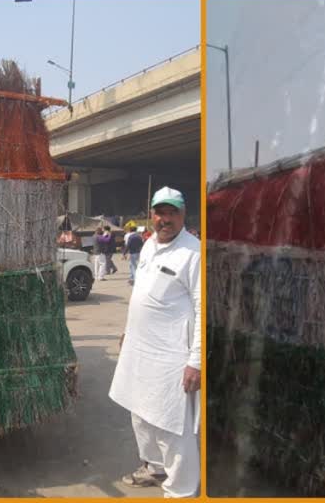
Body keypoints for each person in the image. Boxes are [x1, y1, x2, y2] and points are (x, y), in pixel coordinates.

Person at [109, 187, 201, 498]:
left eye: (172, 212)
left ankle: (182, 489)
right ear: (152, 215)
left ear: (183, 215)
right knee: (141, 413)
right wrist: (128, 329)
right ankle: (154, 468)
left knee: (172, 424)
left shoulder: (194, 253)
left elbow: (203, 309)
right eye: (160, 212)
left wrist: (196, 362)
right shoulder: (148, 246)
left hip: (172, 356)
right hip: (140, 348)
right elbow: (140, 293)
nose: (165, 219)